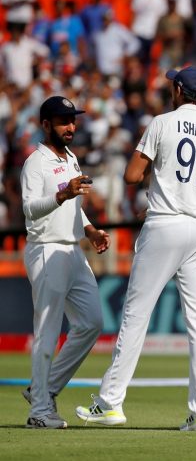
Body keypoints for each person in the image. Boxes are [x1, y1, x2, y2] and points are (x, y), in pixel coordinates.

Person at [76, 66, 196, 431]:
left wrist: (161, 179)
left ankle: (111, 402)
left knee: (136, 313)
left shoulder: (162, 123)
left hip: (165, 222)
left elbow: (131, 175)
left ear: (178, 89)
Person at [20, 96, 110, 429]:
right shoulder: (36, 162)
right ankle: (39, 412)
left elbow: (73, 207)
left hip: (73, 250)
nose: (70, 127)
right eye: (63, 121)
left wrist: (89, 230)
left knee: (92, 322)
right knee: (46, 332)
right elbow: (29, 209)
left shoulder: (70, 158)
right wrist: (62, 194)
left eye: (72, 120)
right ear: (45, 124)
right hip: (45, 249)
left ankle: (43, 389)